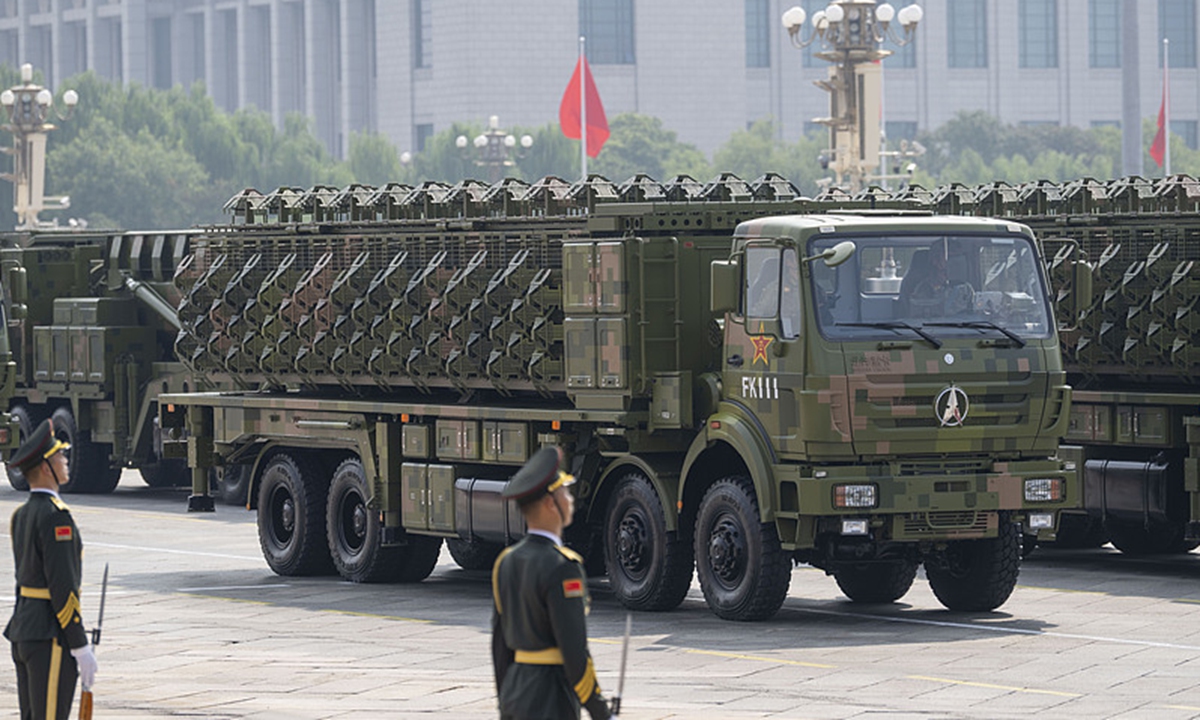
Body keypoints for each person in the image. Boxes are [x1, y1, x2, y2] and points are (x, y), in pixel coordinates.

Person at [491, 447, 613, 720]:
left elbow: (500, 648)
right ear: (550, 504)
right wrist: (601, 712)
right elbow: (574, 653)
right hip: (551, 698)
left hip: (515, 694)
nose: (570, 500)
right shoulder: (563, 567)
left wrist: (506, 700)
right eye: (565, 493)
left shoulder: (506, 562)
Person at [5, 419, 98, 720]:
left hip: (24, 631)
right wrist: (79, 643)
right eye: (60, 455)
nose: (65, 460)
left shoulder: (21, 515)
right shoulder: (57, 518)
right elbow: (63, 587)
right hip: (49, 636)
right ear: (46, 467)